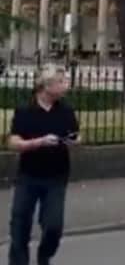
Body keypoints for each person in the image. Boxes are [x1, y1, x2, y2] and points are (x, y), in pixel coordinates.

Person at [7, 64, 79, 265]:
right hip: (28, 176)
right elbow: (13, 142)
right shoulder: (25, 110)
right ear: (46, 85)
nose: (66, 85)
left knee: (54, 226)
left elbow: (76, 135)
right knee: (20, 226)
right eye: (61, 81)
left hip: (56, 176)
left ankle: (44, 254)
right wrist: (38, 142)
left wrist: (75, 141)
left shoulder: (65, 111)